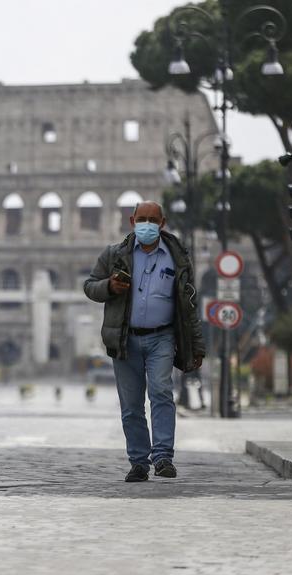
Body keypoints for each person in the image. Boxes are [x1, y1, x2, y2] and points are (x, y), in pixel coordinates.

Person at [83, 201, 205, 483]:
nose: (147, 224)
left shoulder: (178, 258)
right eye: (142, 219)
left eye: (153, 219)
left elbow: (189, 306)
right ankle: (138, 462)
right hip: (125, 338)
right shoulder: (114, 255)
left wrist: (197, 345)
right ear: (132, 220)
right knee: (131, 405)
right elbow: (90, 286)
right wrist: (109, 287)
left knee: (162, 391)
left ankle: (163, 457)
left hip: (162, 336)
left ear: (162, 223)